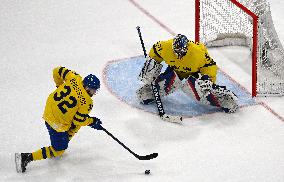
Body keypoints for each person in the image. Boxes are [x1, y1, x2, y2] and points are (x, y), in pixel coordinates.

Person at [15, 66, 103, 173]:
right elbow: (78, 121)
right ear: (88, 88)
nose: (94, 93)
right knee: (59, 150)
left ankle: (62, 139)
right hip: (57, 123)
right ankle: (26, 157)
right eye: (94, 90)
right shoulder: (87, 103)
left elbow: (56, 71)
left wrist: (59, 86)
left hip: (49, 108)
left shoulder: (75, 77)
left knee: (73, 123)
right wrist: (92, 122)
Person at [137, 34, 238, 113]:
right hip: (175, 72)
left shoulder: (197, 52)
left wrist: (208, 79)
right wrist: (151, 66)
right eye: (176, 52)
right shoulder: (165, 47)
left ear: (187, 48)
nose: (179, 55)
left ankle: (225, 99)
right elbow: (155, 52)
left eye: (182, 52)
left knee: (201, 90)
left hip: (195, 74)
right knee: (145, 95)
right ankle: (152, 92)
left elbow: (209, 65)